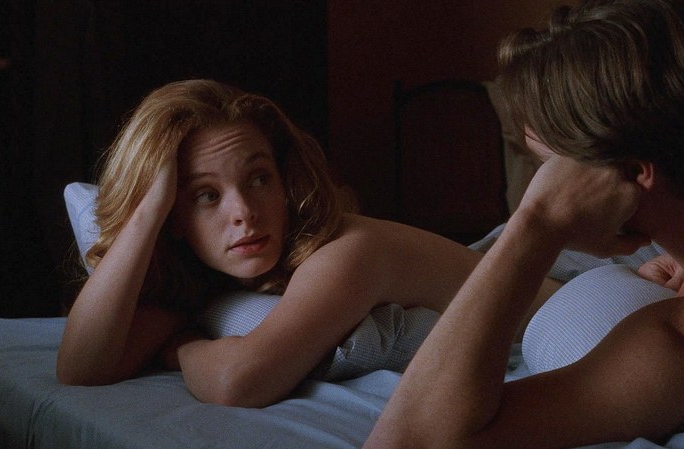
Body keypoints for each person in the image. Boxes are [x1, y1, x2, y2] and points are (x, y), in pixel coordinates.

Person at [365, 0, 684, 447]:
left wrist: (537, 225)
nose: (540, 185)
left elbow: (408, 439)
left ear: (632, 172)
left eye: (549, 169)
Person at [56, 79, 519, 408]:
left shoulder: (348, 252)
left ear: (286, 183)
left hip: (555, 314)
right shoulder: (211, 279)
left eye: (260, 178)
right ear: (173, 221)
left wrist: (181, 348)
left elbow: (239, 382)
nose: (244, 211)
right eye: (207, 195)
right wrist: (147, 214)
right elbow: (80, 370)